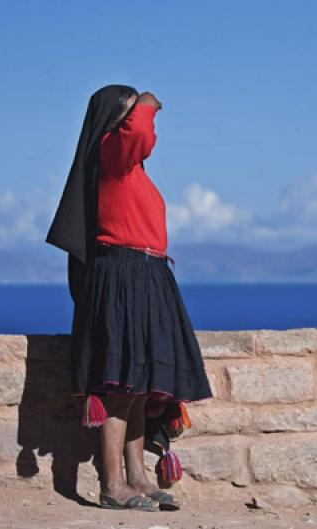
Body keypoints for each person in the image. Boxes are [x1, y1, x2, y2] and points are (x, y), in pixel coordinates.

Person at [45, 84, 214, 511]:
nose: (133, 124)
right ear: (113, 123)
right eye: (124, 118)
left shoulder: (131, 171)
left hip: (145, 274)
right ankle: (112, 484)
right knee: (118, 386)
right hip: (122, 274)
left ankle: (138, 478)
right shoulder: (112, 156)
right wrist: (148, 99)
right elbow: (139, 130)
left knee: (138, 388)